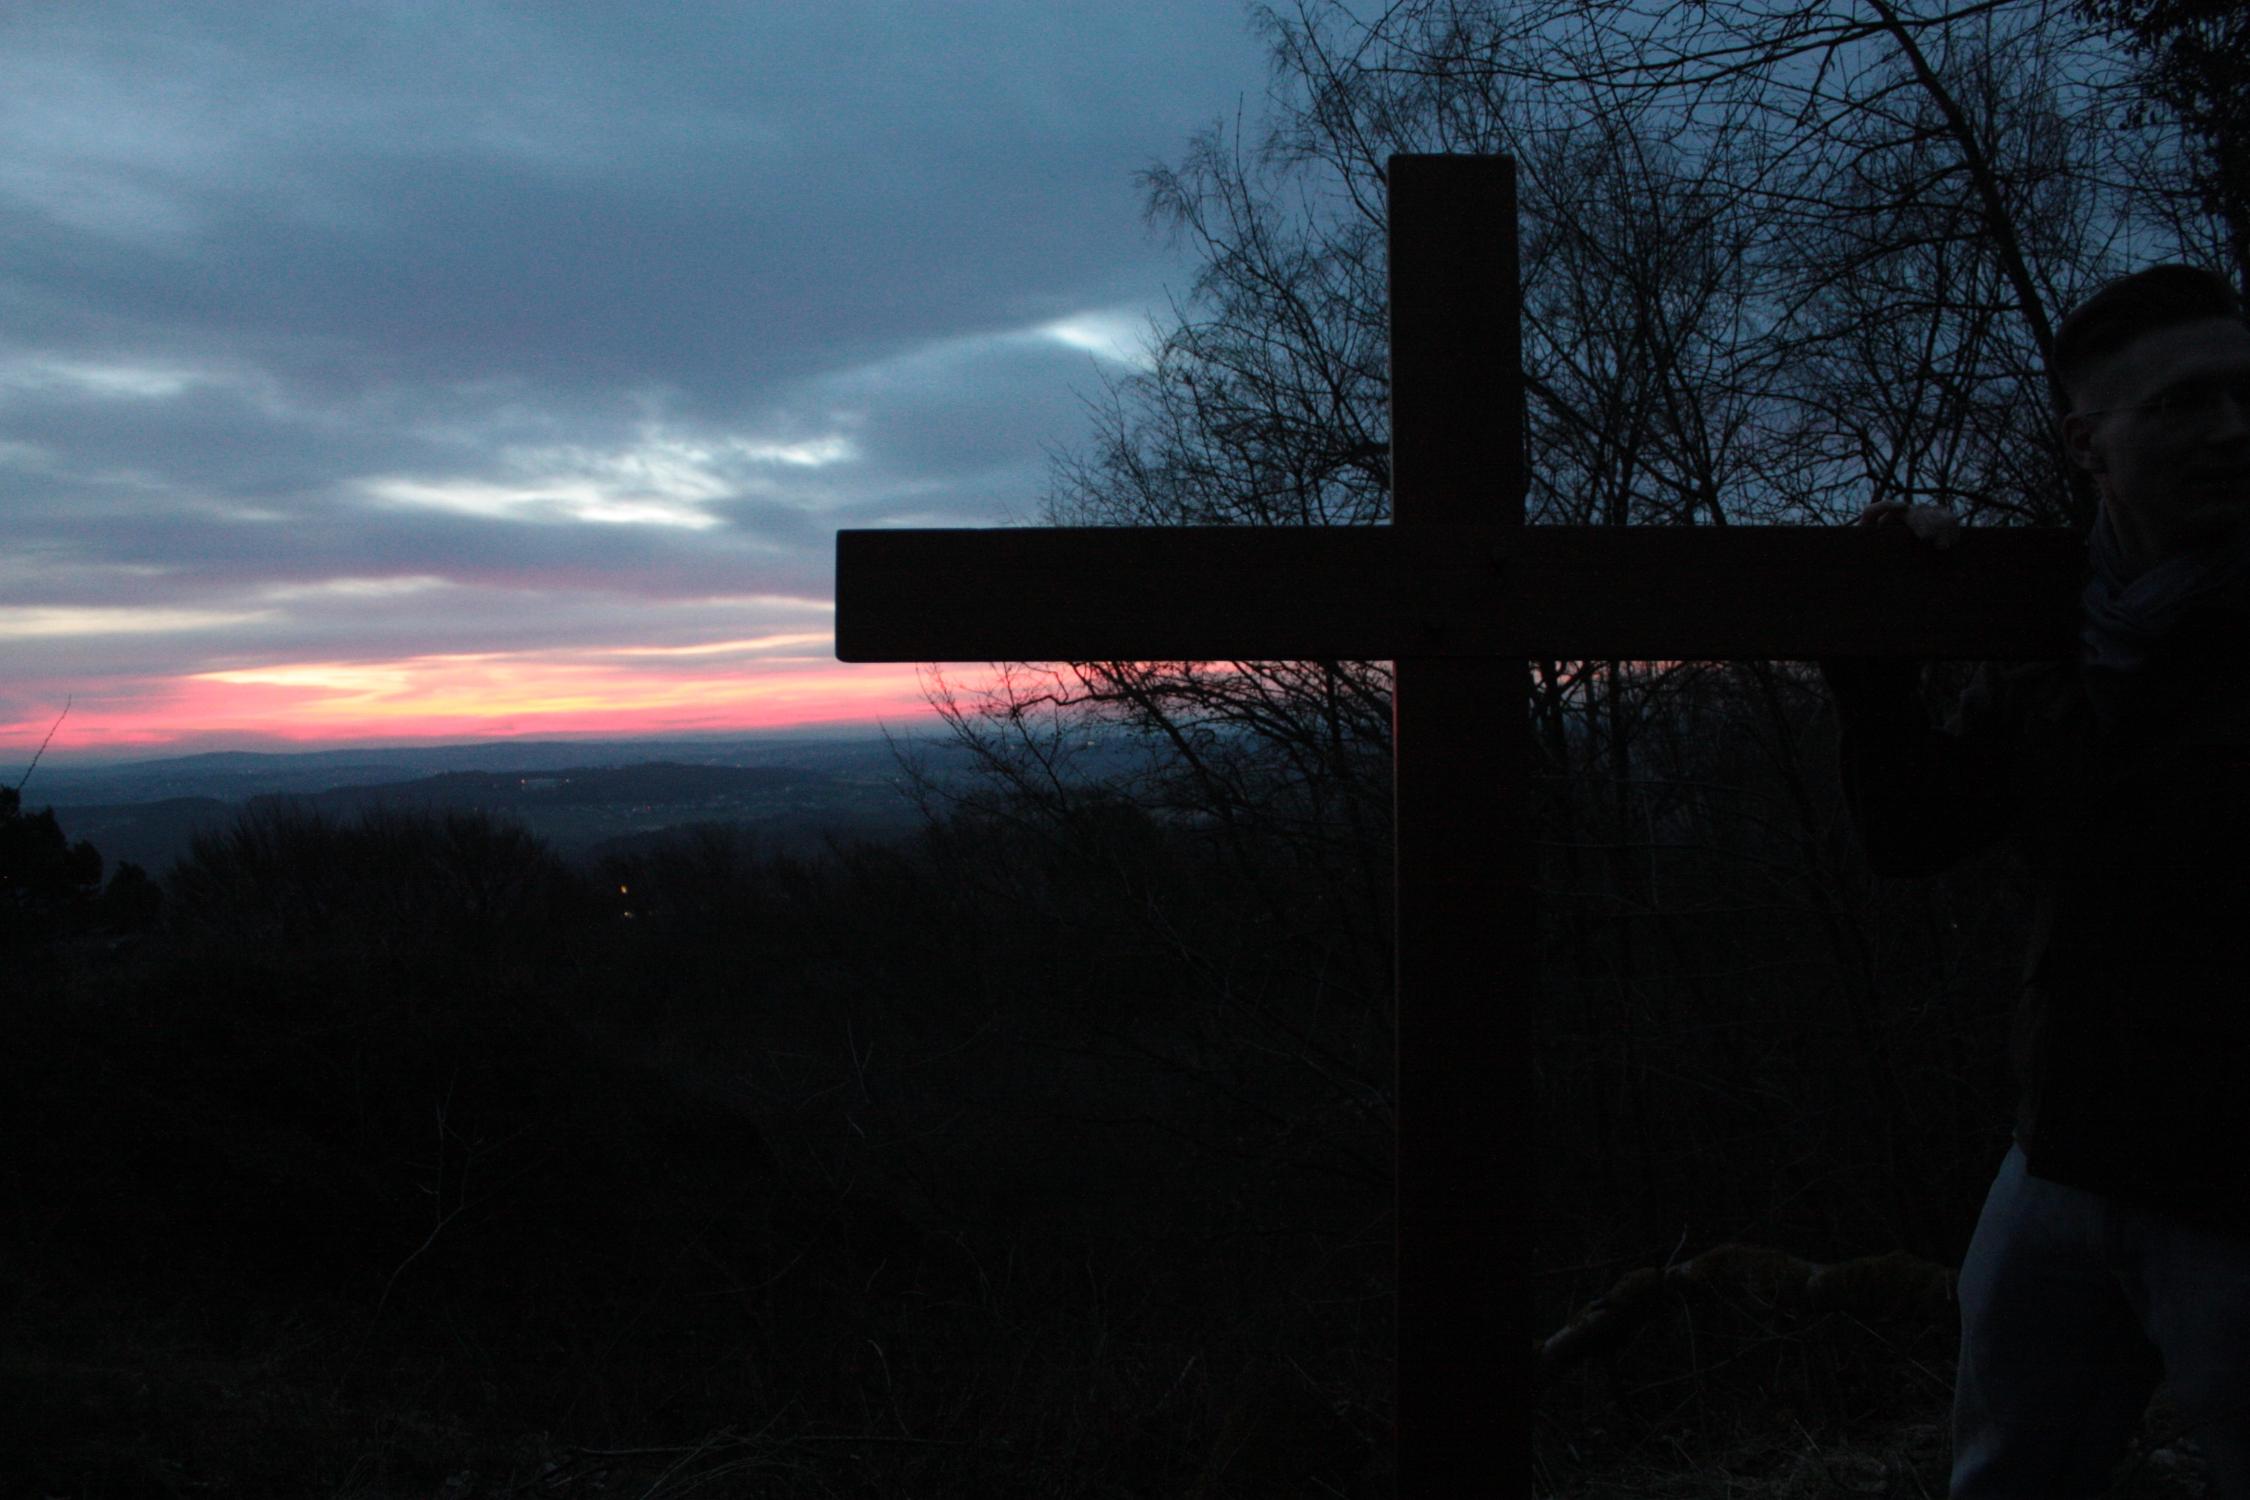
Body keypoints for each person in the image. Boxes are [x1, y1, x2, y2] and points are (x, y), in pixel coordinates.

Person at [1820, 263, 2250, 1497]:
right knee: (2007, 1475)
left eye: (2243, 395)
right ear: (2086, 442)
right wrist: (1879, 645)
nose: (2230, 430)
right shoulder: (2055, 629)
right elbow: (1913, 832)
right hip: (2063, 1153)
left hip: (2233, 1181)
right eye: (2181, 404)